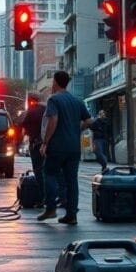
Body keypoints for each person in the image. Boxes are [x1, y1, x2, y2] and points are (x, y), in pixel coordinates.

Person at [38, 71, 93, 225]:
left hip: (57, 146)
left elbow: (53, 120)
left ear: (55, 82)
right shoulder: (76, 100)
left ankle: (51, 208)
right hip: (74, 147)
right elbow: (89, 120)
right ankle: (71, 215)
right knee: (71, 181)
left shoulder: (54, 100)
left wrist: (45, 142)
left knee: (49, 174)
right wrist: (77, 130)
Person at [17, 92, 47, 206]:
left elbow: (21, 124)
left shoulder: (30, 112)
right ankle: (55, 197)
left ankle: (42, 196)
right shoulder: (47, 109)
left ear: (31, 100)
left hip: (36, 144)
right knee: (49, 170)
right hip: (48, 144)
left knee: (38, 170)